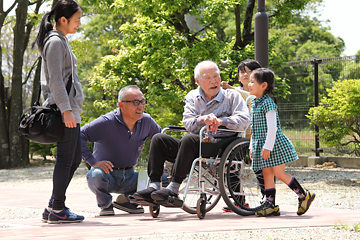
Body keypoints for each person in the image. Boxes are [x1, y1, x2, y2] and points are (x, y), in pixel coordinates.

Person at [132, 60, 250, 204]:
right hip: (193, 145)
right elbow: (188, 123)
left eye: (216, 76)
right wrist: (202, 120)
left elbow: (244, 120)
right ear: (198, 81)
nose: (214, 81)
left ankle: (174, 188)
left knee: (189, 139)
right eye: (208, 77)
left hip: (221, 145)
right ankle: (154, 185)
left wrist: (221, 121)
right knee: (158, 138)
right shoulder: (192, 97)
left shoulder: (232, 96)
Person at [32, 0, 85, 223]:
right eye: (77, 20)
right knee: (66, 160)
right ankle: (58, 209)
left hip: (70, 108)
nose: (79, 24)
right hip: (64, 109)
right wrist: (66, 110)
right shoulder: (55, 42)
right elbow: (55, 80)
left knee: (74, 158)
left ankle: (54, 206)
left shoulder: (61, 40)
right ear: (63, 20)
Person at [81, 85, 166, 216]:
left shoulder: (147, 121)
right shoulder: (106, 122)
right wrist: (92, 162)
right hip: (106, 176)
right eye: (136, 102)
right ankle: (106, 205)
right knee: (95, 174)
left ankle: (127, 200)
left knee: (166, 177)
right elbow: (79, 136)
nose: (141, 106)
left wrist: (166, 162)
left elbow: (163, 140)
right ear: (122, 105)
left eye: (143, 102)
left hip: (131, 176)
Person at [248, 68, 315, 217]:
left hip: (274, 145)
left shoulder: (268, 103)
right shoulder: (254, 103)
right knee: (267, 174)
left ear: (264, 85)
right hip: (262, 145)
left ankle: (304, 195)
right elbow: (253, 128)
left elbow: (272, 129)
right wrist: (252, 146)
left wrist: (267, 147)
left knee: (278, 173)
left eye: (253, 81)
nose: (249, 84)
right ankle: (270, 204)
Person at [221, 59, 264, 213]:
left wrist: (231, 88)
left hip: (257, 136)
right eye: (242, 72)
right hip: (238, 135)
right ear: (238, 76)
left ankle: (268, 200)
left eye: (249, 71)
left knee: (260, 168)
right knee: (232, 166)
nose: (245, 74)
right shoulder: (233, 92)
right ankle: (238, 201)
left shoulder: (260, 91)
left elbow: (251, 98)